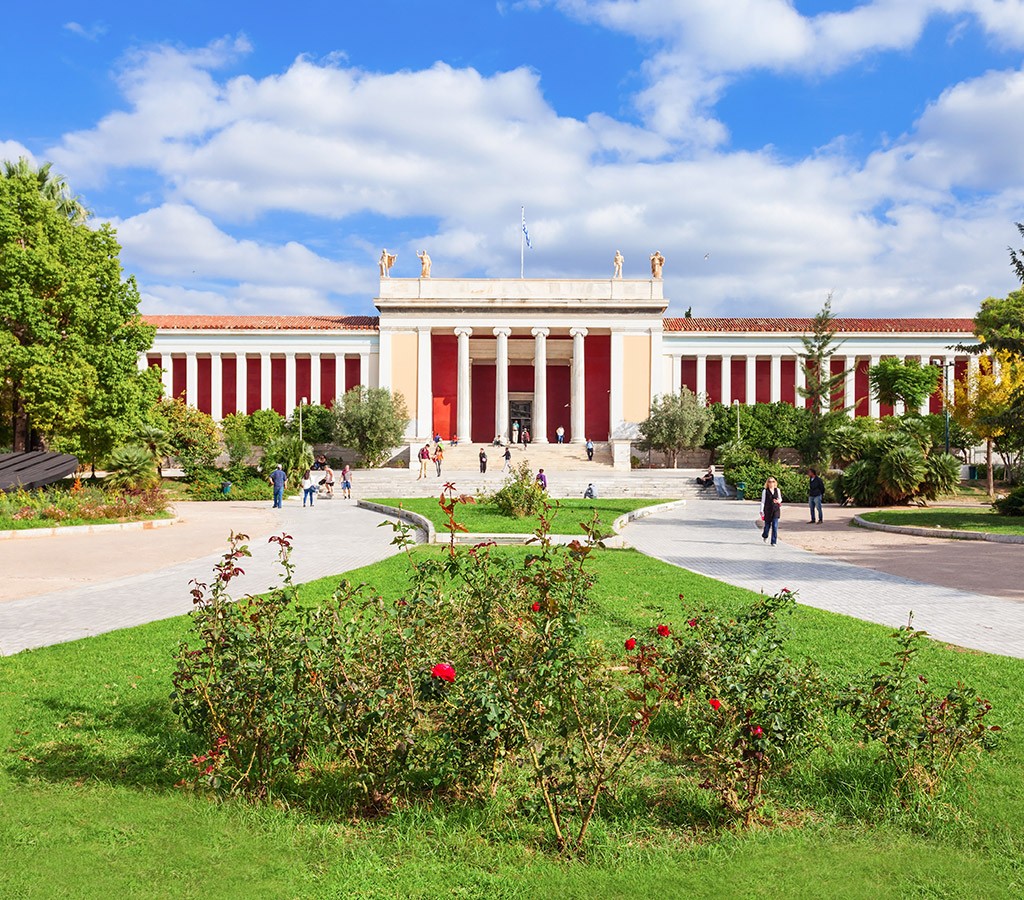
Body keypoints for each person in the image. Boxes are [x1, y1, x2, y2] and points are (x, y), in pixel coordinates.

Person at [760, 476, 782, 546]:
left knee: (775, 526)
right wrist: (761, 511)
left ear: (775, 482)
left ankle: (773, 541)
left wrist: (778, 501)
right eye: (769, 482)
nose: (771, 483)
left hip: (776, 510)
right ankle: (765, 535)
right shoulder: (765, 491)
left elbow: (780, 499)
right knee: (767, 526)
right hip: (768, 510)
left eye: (773, 481)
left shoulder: (777, 490)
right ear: (767, 483)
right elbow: (763, 501)